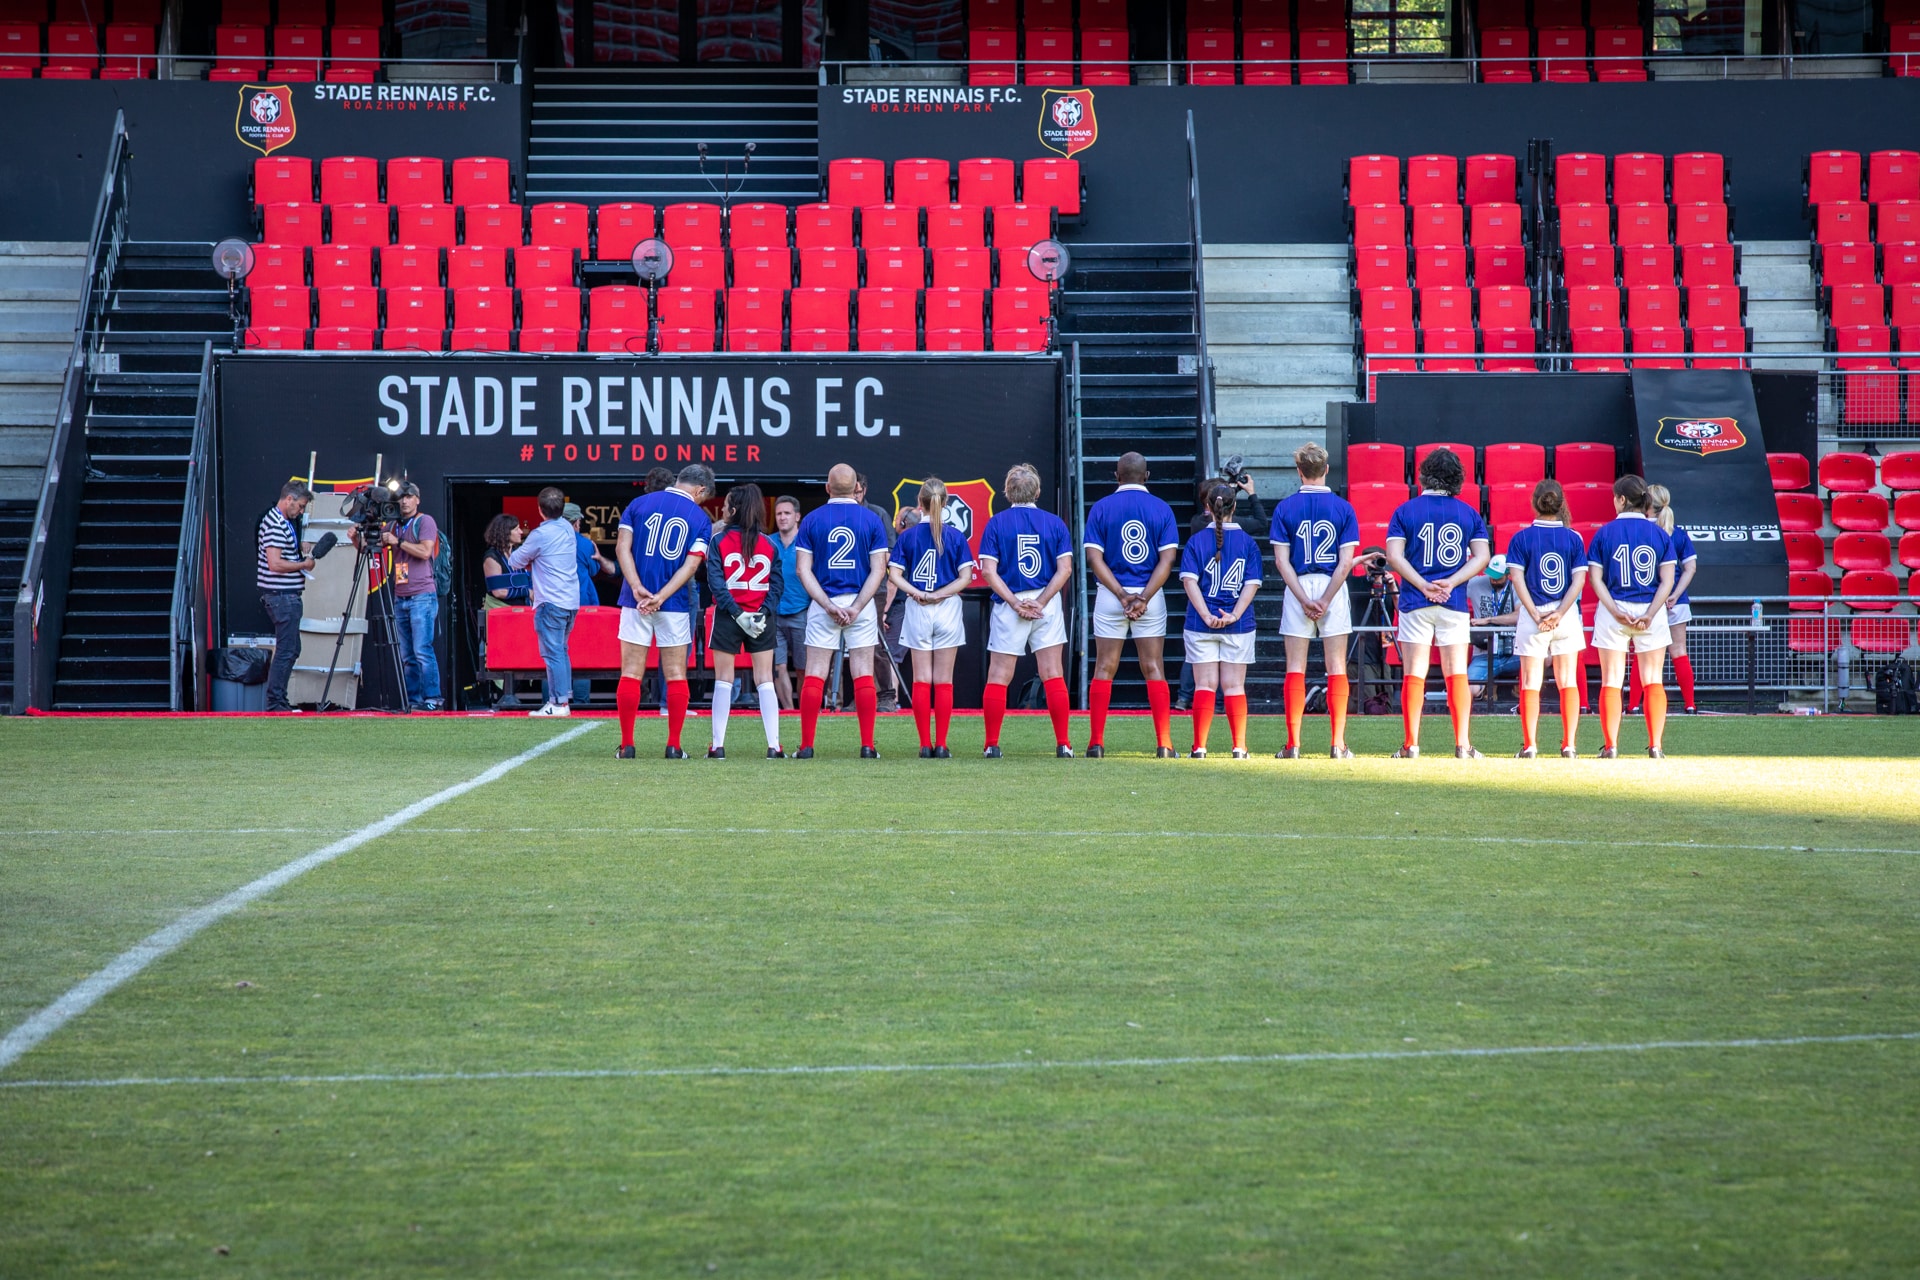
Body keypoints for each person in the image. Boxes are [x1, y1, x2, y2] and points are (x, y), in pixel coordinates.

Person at [1385, 447, 1491, 758]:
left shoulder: (1405, 511)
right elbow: (1482, 557)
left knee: (1414, 673)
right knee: (1456, 672)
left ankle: (1411, 745)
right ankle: (1463, 745)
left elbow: (1394, 556)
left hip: (1415, 600)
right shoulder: (1469, 513)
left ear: (1424, 474)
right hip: (1452, 601)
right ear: (1457, 477)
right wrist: (1452, 582)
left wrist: (1422, 584)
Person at [1082, 452, 1180, 757]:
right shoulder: (1162, 508)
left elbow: (1093, 558)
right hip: (1149, 595)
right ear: (1146, 476)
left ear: (1116, 476)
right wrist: (1144, 597)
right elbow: (1167, 560)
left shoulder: (1101, 507)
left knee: (1104, 667)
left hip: (1111, 595)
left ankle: (1096, 743)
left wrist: (1121, 595)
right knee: (1153, 667)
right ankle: (1164, 744)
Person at [613, 463, 714, 759]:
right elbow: (692, 566)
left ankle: (627, 745)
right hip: (674, 604)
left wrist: (636, 587)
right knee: (675, 673)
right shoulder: (700, 518)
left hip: (634, 600)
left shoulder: (639, 503)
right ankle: (674, 746)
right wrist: (661, 596)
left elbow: (621, 549)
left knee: (631, 672)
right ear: (700, 489)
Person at [794, 463, 892, 758]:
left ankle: (807, 746)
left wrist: (827, 604)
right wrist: (858, 606)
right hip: (860, 603)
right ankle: (867, 745)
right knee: (863, 671)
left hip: (824, 600)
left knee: (815, 672)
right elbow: (879, 570)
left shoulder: (812, 519)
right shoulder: (871, 519)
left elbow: (802, 570)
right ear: (856, 489)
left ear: (827, 488)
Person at [978, 463, 1075, 758]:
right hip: (1046, 603)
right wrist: (1041, 601)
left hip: (1011, 602)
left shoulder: (997, 523)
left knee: (999, 675)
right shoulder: (1054, 523)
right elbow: (1065, 569)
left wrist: (1014, 602)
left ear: (1007, 492)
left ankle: (992, 745)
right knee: (1053, 673)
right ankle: (1063, 744)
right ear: (1038, 491)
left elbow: (988, 571)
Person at [1269, 442, 1360, 759]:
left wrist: (1305, 599)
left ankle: (1293, 744)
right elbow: (1345, 563)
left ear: (1299, 471)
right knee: (1336, 666)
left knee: (1295, 667)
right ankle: (1338, 744)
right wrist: (1325, 599)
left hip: (1299, 585)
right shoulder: (1343, 508)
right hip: (1332, 586)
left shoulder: (1285, 508)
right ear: (1326, 470)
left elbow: (1281, 562)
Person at [1587, 474, 1677, 758]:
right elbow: (1668, 580)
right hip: (1651, 610)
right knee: (1653, 679)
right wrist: (1650, 613)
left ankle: (1611, 746)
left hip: (1614, 610)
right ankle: (1656, 746)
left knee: (1612, 680)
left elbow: (1595, 578)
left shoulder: (1604, 533)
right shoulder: (1660, 534)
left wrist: (1614, 610)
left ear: (1622, 499)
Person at [888, 478, 977, 758]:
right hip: (947, 606)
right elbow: (965, 577)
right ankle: (941, 744)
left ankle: (925, 745)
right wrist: (939, 594)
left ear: (920, 502)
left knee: (922, 678)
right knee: (943, 679)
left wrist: (918, 593)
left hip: (918, 607)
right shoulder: (955, 536)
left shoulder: (908, 536)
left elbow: (894, 575)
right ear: (945, 502)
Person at [1503, 480, 1590, 759]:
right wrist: (1560, 612)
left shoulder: (1521, 538)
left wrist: (1533, 612)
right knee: (1568, 681)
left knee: (1530, 682)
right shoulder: (1574, 537)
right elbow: (1579, 581)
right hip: (1565, 616)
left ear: (1534, 503)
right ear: (1561, 503)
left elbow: (1517, 579)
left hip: (1534, 615)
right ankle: (1570, 745)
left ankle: (1530, 746)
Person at [1179, 483, 1263, 759]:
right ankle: (1239, 747)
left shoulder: (1196, 541)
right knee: (1234, 686)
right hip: (1238, 625)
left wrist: (1206, 614)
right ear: (1234, 507)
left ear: (1208, 507)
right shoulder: (1248, 543)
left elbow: (1189, 582)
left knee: (1204, 685)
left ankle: (1199, 747)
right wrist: (1235, 615)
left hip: (1200, 623)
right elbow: (1251, 585)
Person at [704, 482, 785, 759]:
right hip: (761, 617)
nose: (722, 509)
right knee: (765, 679)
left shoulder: (719, 541)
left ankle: (718, 746)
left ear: (734, 509)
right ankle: (774, 746)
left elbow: (716, 584)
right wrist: (763, 612)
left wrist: (738, 614)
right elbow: (777, 585)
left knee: (723, 680)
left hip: (729, 616)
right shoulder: (769, 543)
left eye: (726, 505)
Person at [509, 486, 585, 718]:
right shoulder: (567, 528)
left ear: (540, 510)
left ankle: (559, 703)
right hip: (570, 601)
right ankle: (563, 699)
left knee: (553, 653)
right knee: (561, 650)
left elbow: (515, 561)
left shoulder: (540, 534)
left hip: (551, 601)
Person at [377, 482, 443, 711]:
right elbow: (368, 547)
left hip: (422, 595)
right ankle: (413, 701)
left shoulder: (425, 521)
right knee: (407, 655)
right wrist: (357, 536)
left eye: (408, 496)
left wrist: (398, 541)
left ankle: (433, 699)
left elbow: (425, 552)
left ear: (417, 499)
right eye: (400, 497)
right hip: (401, 596)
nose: (404, 501)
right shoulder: (393, 524)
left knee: (422, 650)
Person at [1638, 484, 1700, 714]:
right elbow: (1690, 568)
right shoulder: (1678, 532)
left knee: (1643, 652)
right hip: (1676, 602)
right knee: (1679, 650)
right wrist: (1674, 594)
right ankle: (1690, 704)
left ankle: (1633, 705)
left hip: (1648, 601)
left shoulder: (1641, 531)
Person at [257, 480, 318, 713]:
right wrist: (304, 564)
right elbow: (275, 564)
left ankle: (278, 700)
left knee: (290, 649)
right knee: (286, 649)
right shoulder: (275, 523)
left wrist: (298, 548)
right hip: (282, 596)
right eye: (300, 506)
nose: (301, 511)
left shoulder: (281, 522)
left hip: (284, 595)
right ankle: (276, 703)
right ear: (289, 499)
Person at [853, 472, 901, 712]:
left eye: (857, 491)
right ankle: (860, 696)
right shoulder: (841, 514)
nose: (854, 495)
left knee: (876, 643)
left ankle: (886, 696)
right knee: (852, 645)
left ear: (864, 489)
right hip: (847, 586)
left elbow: (890, 554)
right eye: (851, 491)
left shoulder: (878, 514)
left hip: (875, 587)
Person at [565, 502, 612, 707]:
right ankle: (581, 704)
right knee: (581, 654)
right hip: (581, 604)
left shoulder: (544, 540)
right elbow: (594, 570)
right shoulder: (584, 544)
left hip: (551, 604)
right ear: (576, 522)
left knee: (553, 655)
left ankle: (553, 700)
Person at [768, 494, 807, 710]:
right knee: (778, 667)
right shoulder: (768, 541)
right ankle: (789, 711)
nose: (782, 517)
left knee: (803, 669)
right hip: (774, 612)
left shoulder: (807, 541)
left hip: (802, 611)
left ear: (797, 516)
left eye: (787, 513)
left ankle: (803, 710)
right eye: (779, 514)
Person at [1465, 558, 1520, 698]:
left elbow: (1519, 616)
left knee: (1545, 658)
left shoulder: (1517, 586)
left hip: (1514, 651)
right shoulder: (1475, 584)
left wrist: (1489, 620)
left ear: (1508, 575)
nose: (1494, 581)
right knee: (1469, 690)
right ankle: (1485, 688)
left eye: (1498, 578)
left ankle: (1520, 685)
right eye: (1491, 577)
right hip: (1484, 653)